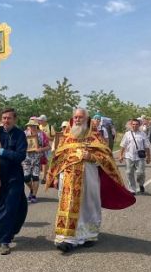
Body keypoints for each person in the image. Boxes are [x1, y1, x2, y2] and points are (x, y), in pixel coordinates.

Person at [46, 108, 135, 253]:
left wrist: (93, 157)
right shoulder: (66, 137)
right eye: (75, 117)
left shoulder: (95, 137)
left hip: (89, 180)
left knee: (88, 207)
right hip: (67, 180)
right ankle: (67, 238)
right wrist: (55, 176)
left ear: (87, 119)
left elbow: (107, 158)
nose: (77, 119)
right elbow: (57, 159)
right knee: (67, 206)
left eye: (80, 117)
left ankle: (89, 235)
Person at [0, 108, 28, 255]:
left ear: (15, 120)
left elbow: (19, 156)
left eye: (9, 118)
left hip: (15, 177)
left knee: (11, 207)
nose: (6, 121)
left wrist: (2, 152)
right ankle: (6, 232)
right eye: (3, 118)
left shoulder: (20, 134)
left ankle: (5, 240)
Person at [119, 119, 151, 194]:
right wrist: (121, 155)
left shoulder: (143, 134)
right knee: (129, 172)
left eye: (136, 124)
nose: (135, 126)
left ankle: (141, 184)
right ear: (131, 125)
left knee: (140, 173)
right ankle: (132, 189)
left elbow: (147, 146)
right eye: (133, 124)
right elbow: (123, 145)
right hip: (129, 156)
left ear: (139, 125)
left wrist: (148, 157)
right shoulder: (127, 134)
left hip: (140, 157)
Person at [23, 119, 50, 202]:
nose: (32, 127)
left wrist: (41, 149)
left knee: (35, 177)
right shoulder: (24, 134)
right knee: (26, 177)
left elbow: (49, 147)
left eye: (33, 125)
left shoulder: (42, 135)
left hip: (37, 159)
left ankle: (34, 195)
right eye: (30, 126)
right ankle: (32, 189)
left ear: (36, 126)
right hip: (26, 159)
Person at [37, 115, 55, 185]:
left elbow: (54, 138)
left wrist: (46, 137)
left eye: (41, 120)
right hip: (41, 148)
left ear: (44, 120)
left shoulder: (50, 127)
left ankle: (46, 177)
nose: (39, 121)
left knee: (47, 163)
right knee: (41, 163)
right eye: (39, 120)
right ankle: (42, 177)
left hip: (48, 147)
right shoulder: (39, 127)